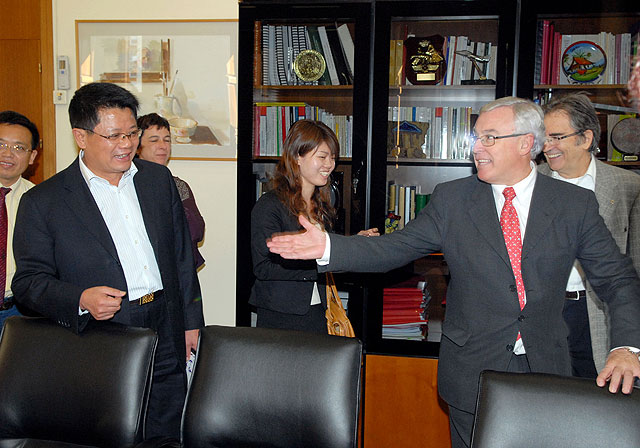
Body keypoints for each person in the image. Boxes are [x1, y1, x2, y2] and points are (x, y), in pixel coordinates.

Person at [267, 97, 640, 448]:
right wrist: (330, 246)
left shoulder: (572, 204)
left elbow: (617, 279)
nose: (477, 148)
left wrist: (625, 347)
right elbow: (396, 247)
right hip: (473, 370)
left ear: (527, 143)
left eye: (490, 138)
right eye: (477, 138)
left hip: (546, 367)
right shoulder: (453, 199)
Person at [11, 82, 204, 440]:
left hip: (165, 320)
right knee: (112, 431)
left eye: (132, 133)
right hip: (104, 331)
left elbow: (181, 259)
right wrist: (79, 299)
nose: (127, 144)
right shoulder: (44, 202)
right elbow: (27, 283)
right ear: (81, 137)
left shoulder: (158, 181)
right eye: (114, 136)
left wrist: (191, 322)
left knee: (165, 429)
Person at [538, 93, 640, 378]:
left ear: (585, 138)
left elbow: (635, 268)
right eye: (544, 138)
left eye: (557, 137)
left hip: (600, 314)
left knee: (599, 402)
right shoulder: (530, 183)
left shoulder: (628, 187)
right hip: (543, 313)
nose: (547, 147)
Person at [251, 119, 378, 333]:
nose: (329, 164)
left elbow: (326, 247)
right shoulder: (269, 205)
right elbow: (263, 267)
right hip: (281, 317)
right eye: (322, 157)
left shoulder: (323, 204)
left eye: (333, 158)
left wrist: (355, 243)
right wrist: (319, 263)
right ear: (297, 158)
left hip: (320, 311)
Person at [137, 113, 205, 269]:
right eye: (154, 140)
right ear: (137, 146)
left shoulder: (178, 185)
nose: (162, 146)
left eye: (167, 140)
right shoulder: (123, 184)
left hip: (177, 273)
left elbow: (196, 231)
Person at [0, 111, 38, 328]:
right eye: (1, 145)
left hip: (19, 312)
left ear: (32, 156)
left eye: (18, 148)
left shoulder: (40, 201)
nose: (7, 154)